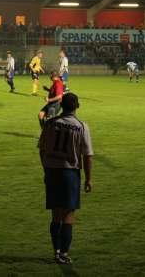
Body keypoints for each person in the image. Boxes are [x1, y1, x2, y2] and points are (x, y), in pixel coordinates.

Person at [38, 93, 93, 264]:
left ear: (61, 105)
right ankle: (65, 253)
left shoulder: (50, 123)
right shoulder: (81, 126)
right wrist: (88, 179)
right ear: (77, 106)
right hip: (70, 173)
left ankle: (56, 251)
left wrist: (46, 169)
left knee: (56, 214)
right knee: (68, 213)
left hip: (52, 171)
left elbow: (42, 149)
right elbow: (87, 155)